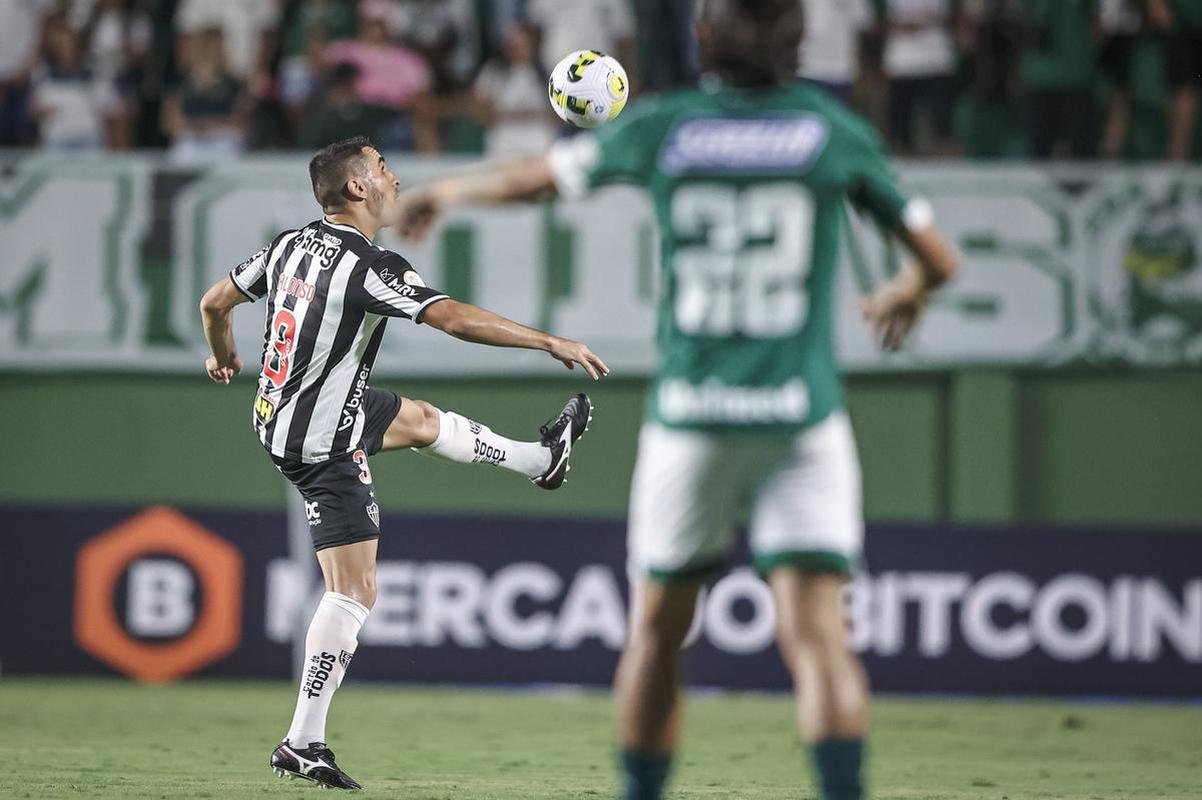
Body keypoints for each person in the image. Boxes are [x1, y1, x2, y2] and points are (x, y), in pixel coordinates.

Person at [393, 2, 959, 798]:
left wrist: (444, 191)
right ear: (799, 45)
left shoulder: (667, 127)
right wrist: (910, 290)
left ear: (700, 41)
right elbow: (939, 257)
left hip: (692, 421)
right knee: (820, 640)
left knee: (658, 635)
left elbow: (537, 181)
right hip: (802, 422)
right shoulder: (832, 131)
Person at [198, 135, 608, 790]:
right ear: (356, 188)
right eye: (383, 167)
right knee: (354, 591)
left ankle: (540, 461)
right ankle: (302, 740)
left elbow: (214, 301)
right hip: (321, 441)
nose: (394, 176)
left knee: (417, 420)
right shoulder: (364, 265)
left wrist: (221, 355)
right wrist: (547, 341)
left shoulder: (288, 246)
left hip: (292, 412)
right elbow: (453, 321)